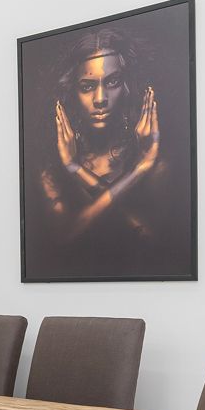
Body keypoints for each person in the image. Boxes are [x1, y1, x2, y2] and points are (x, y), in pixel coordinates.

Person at [36, 29, 164, 251]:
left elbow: (153, 239)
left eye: (113, 82)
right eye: (87, 86)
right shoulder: (50, 174)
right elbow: (63, 237)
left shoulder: (159, 166)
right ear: (71, 92)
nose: (100, 99)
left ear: (127, 88)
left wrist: (75, 169)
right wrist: (139, 170)